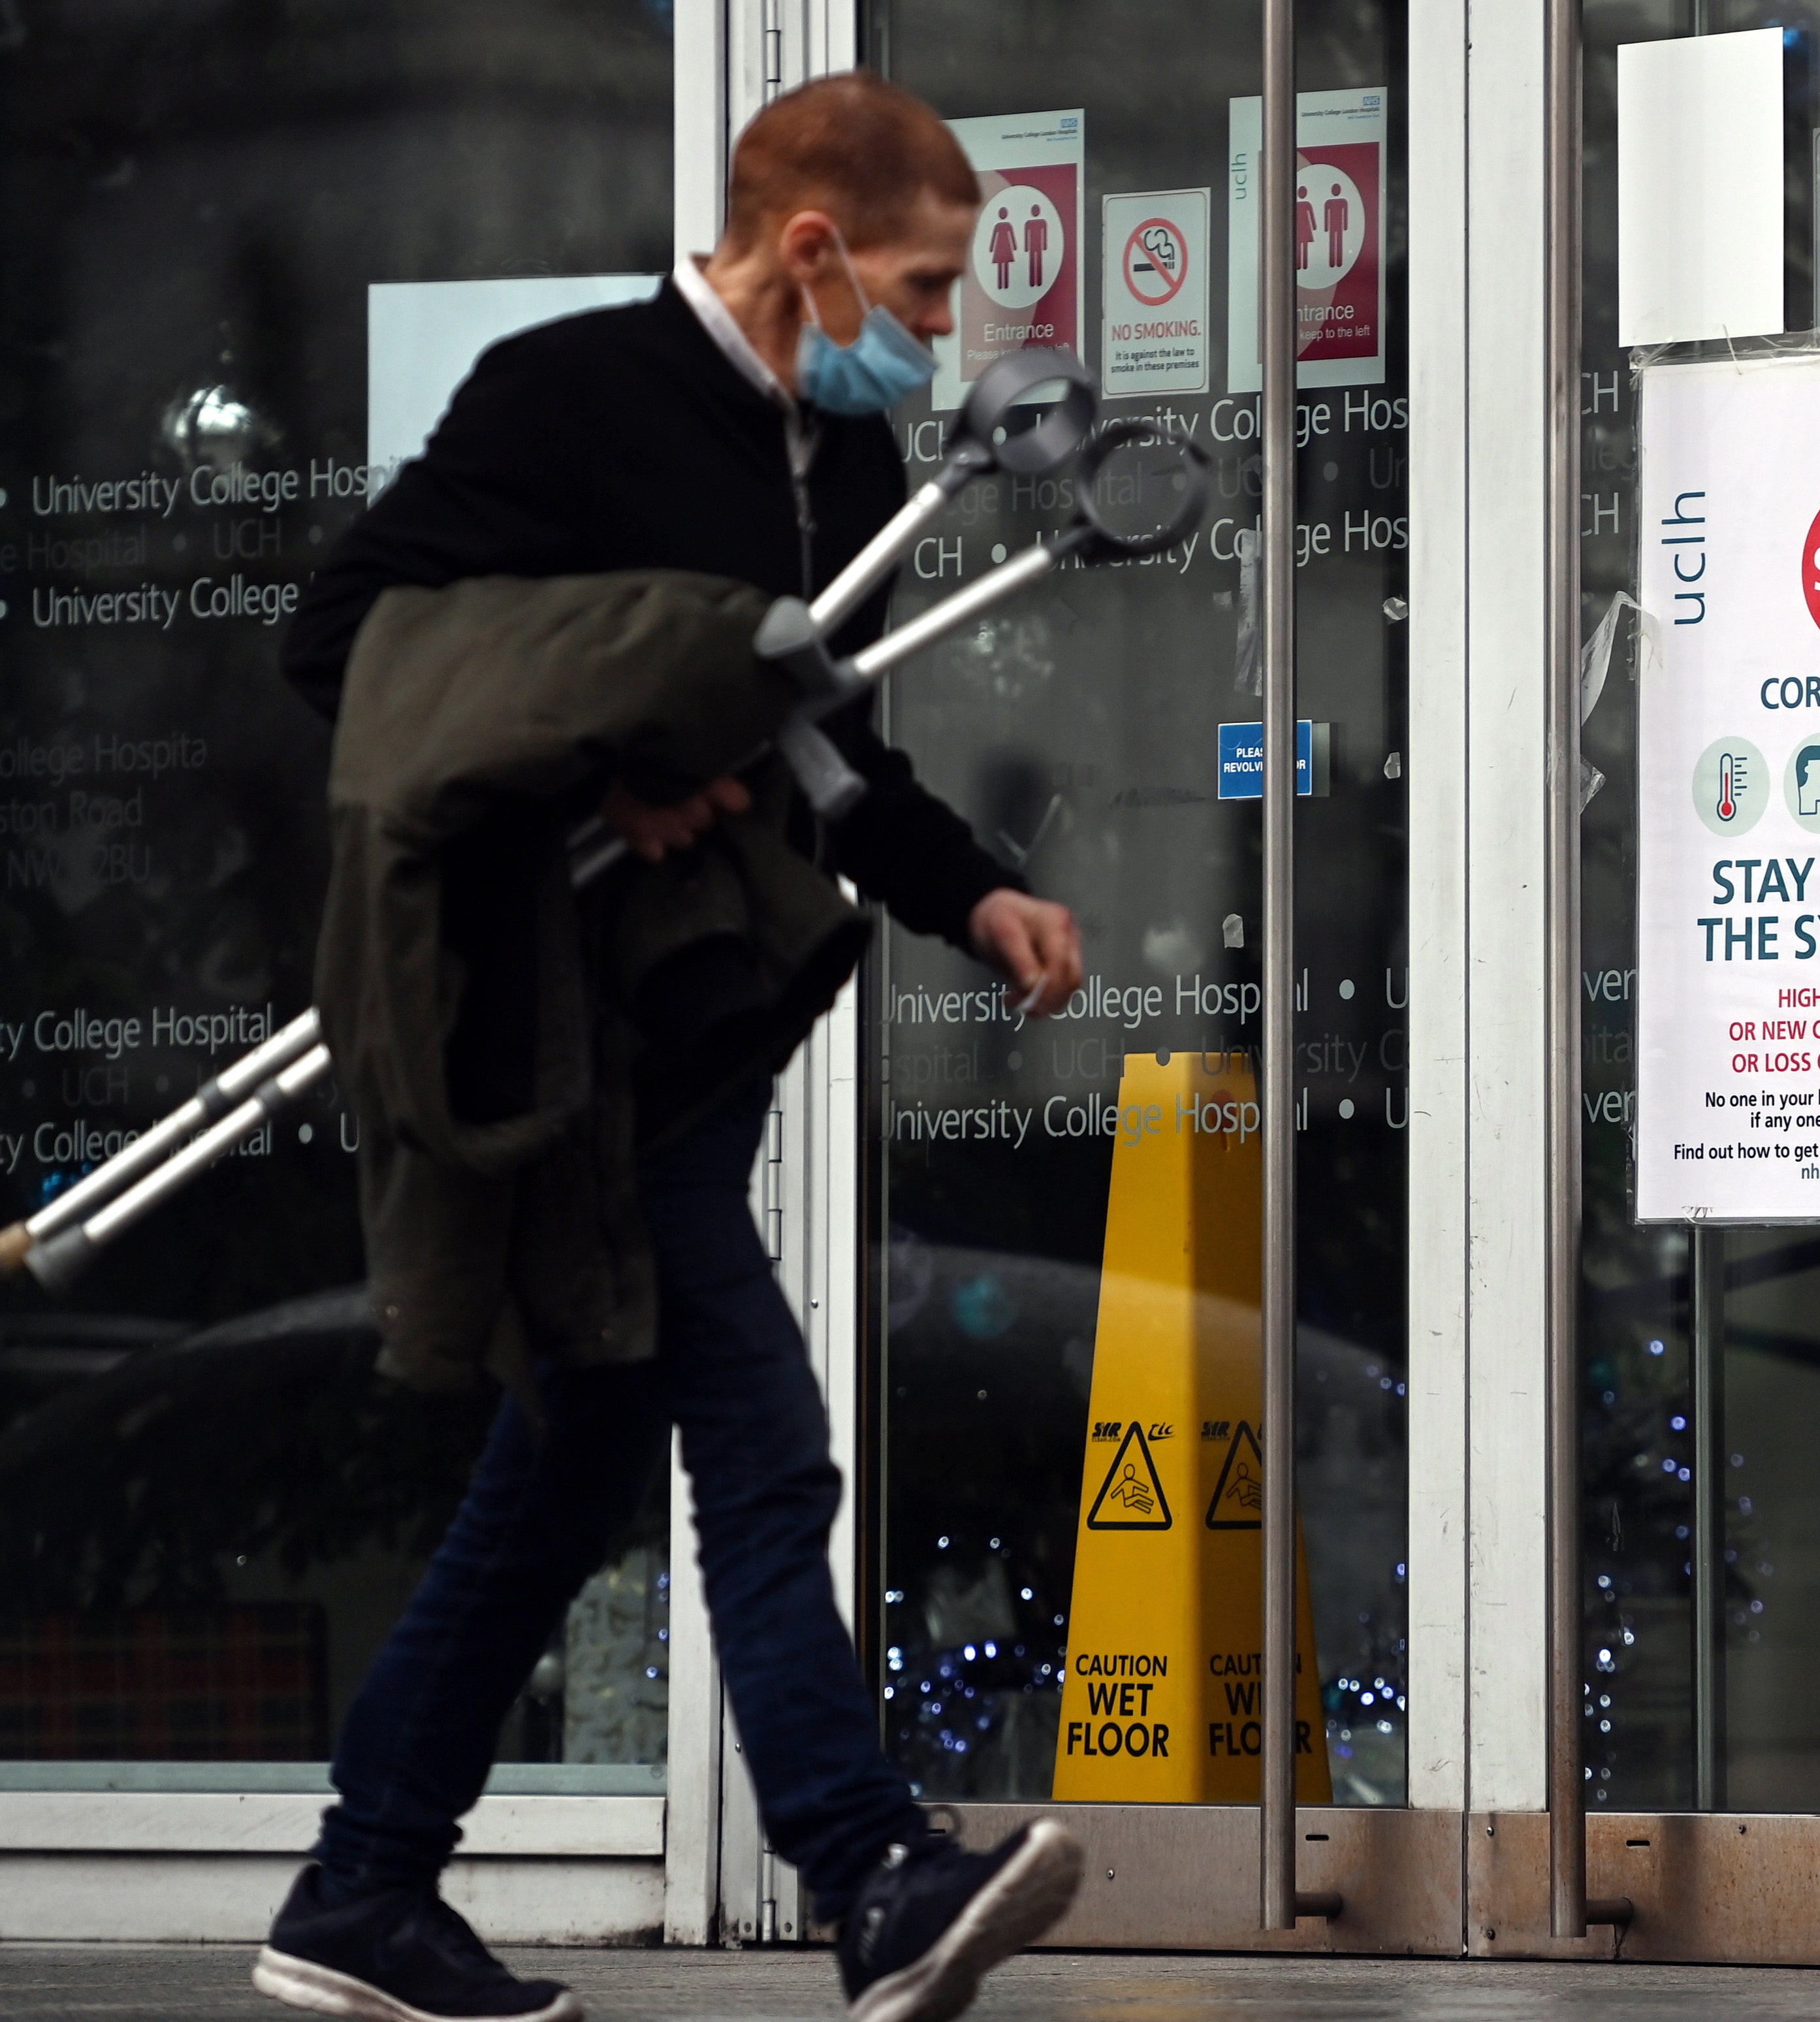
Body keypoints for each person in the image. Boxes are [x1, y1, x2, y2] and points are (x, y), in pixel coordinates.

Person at [253, 72, 1087, 2022]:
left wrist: (976, 896)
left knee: (576, 1461)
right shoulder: (570, 398)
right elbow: (347, 645)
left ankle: (361, 1884)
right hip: (565, 1031)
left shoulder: (853, 469)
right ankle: (866, 1865)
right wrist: (608, 769)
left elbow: (833, 756)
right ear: (811, 251)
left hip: (706, 1032)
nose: (938, 326)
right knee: (765, 1442)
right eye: (921, 280)